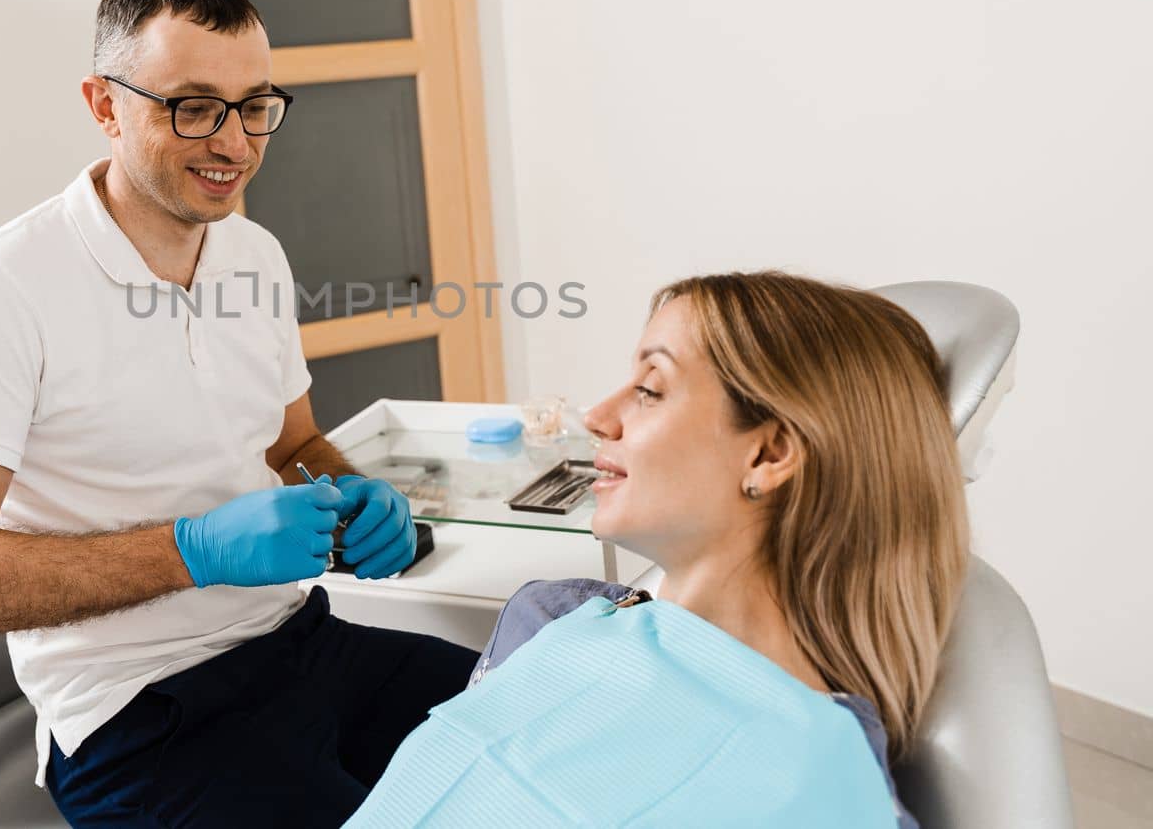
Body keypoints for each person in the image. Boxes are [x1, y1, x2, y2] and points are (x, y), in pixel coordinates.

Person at [0, 0, 478, 827]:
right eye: (193, 106)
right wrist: (192, 550)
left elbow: (291, 446)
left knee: (533, 725)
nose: (234, 143)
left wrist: (352, 491)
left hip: (299, 644)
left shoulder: (253, 253)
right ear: (104, 104)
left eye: (254, 106)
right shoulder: (2, 289)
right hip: (136, 713)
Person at [349, 272, 969, 827]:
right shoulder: (562, 621)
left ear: (769, 454)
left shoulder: (815, 771)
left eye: (651, 388)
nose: (598, 416)